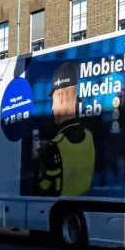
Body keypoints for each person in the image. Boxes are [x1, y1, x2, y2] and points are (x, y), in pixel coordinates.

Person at [34, 63, 95, 197]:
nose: (52, 107)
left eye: (53, 100)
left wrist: (41, 158)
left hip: (60, 203)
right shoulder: (89, 136)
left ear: (60, 97)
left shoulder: (55, 145)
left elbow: (44, 188)